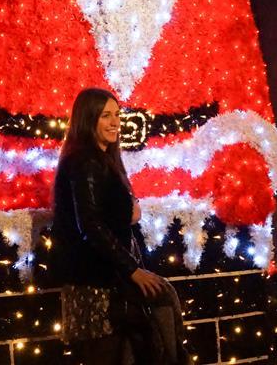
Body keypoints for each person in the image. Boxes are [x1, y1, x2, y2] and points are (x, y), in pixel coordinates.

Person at [50, 87, 188, 364]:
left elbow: (106, 211)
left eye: (117, 115)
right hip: (95, 285)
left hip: (108, 278)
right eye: (105, 116)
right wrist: (132, 269)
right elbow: (89, 224)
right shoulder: (85, 162)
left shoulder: (102, 160)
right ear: (88, 119)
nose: (115, 122)